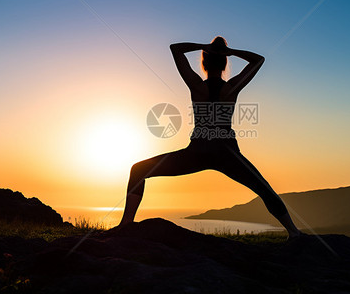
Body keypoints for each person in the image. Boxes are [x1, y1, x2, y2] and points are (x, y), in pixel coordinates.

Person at [117, 36, 302, 239]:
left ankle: (126, 224)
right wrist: (229, 52)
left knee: (139, 170)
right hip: (226, 152)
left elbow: (176, 49)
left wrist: (204, 47)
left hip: (198, 151)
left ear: (203, 63)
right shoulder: (231, 87)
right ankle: (293, 232)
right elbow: (258, 60)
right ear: (224, 64)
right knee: (264, 188)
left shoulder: (197, 86)